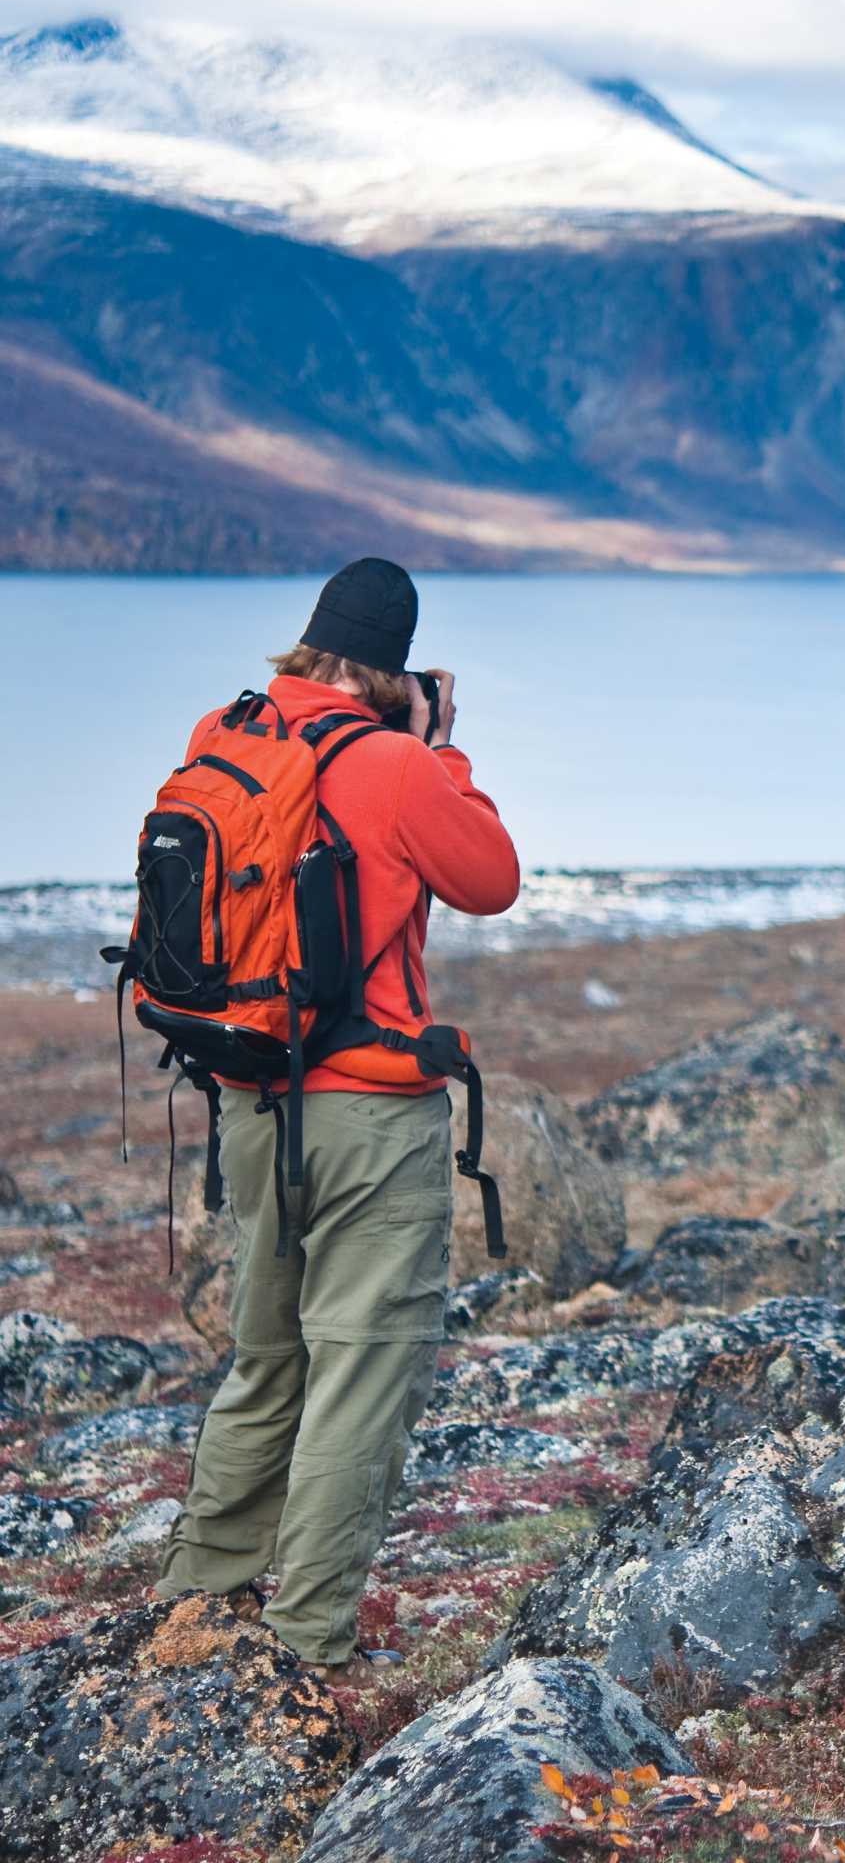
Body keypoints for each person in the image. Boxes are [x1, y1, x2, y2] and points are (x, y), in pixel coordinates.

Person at [153, 557, 520, 1687]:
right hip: (366, 1118)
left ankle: (195, 1603)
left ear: (308, 644)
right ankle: (305, 1647)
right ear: (399, 667)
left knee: (267, 1361)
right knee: (360, 1376)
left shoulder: (233, 729)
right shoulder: (397, 762)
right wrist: (444, 742)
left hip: (253, 1100)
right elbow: (491, 877)